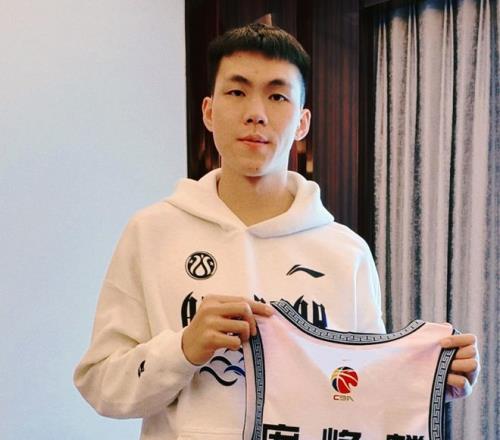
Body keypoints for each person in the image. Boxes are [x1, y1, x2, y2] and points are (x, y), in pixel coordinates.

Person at [74, 23, 479, 439]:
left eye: (277, 96)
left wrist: (430, 381)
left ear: (302, 122)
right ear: (209, 112)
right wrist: (183, 350)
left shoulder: (345, 252)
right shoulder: (151, 233)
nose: (256, 113)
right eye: (237, 92)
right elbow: (101, 384)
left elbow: (362, 391)